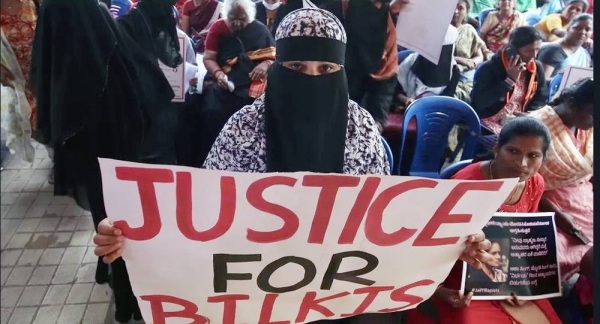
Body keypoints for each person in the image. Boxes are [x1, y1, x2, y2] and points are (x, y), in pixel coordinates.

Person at [94, 8, 494, 324]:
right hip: (255, 304)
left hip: (337, 303)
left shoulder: (361, 130)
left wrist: (451, 246)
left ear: (341, 72)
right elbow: (201, 220)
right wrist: (136, 238)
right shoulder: (243, 129)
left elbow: (385, 225)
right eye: (297, 68)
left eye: (326, 70)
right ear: (277, 67)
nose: (312, 79)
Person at [410, 117, 562, 324]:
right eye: (513, 151)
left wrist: (520, 284)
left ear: (543, 159)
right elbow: (430, 245)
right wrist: (439, 291)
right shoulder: (466, 186)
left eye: (533, 155)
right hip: (458, 276)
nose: (522, 163)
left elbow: (522, 240)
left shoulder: (535, 183)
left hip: (506, 271)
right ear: (497, 149)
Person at [528, 77, 593, 282]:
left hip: (581, 195)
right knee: (552, 253)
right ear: (572, 105)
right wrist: (559, 215)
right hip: (543, 200)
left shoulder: (586, 126)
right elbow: (524, 183)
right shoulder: (536, 127)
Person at [198, 0, 275, 166]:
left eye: (243, 18)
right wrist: (218, 74)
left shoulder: (259, 30)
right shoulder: (218, 28)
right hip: (223, 80)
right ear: (226, 16)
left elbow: (273, 58)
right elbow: (209, 58)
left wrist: (264, 65)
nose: (238, 22)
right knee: (211, 108)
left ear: (250, 17)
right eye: (233, 18)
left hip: (252, 82)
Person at [320, 0, 405, 131]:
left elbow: (384, 84)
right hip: (327, 114)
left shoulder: (387, 23)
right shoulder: (331, 14)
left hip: (362, 123)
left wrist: (375, 126)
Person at [472, 26, 546, 136]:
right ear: (513, 50)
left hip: (518, 121)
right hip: (489, 121)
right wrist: (509, 81)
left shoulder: (536, 68)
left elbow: (540, 98)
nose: (534, 56)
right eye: (528, 50)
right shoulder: (490, 68)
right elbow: (480, 102)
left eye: (537, 50)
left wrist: (529, 114)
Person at [1, 0, 37, 161]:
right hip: (17, 74)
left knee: (51, 114)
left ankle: (58, 158)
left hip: (44, 69)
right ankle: (56, 157)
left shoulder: (31, 2)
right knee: (32, 119)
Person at [396, 25, 461, 109]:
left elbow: (446, 100)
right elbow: (394, 90)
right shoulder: (410, 63)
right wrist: (405, 99)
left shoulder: (454, 71)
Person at [537, 13, 592, 79]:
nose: (582, 32)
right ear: (568, 29)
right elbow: (541, 81)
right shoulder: (553, 50)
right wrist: (564, 80)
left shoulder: (584, 54)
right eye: (578, 28)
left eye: (587, 29)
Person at [453, 0, 489, 81]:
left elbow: (479, 56)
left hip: (465, 74)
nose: (455, 11)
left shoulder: (469, 30)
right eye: (453, 7)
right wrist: (460, 60)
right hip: (444, 72)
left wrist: (472, 62)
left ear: (466, 12)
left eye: (461, 8)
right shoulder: (441, 30)